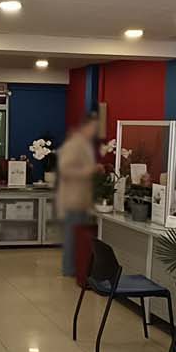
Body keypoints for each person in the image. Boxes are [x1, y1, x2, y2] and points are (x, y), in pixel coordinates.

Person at [55, 113, 98, 277]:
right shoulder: (74, 144)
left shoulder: (85, 144)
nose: (95, 131)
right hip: (73, 199)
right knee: (72, 236)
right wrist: (88, 171)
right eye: (93, 127)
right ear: (86, 126)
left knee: (77, 236)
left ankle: (76, 267)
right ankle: (69, 268)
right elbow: (65, 169)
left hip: (82, 199)